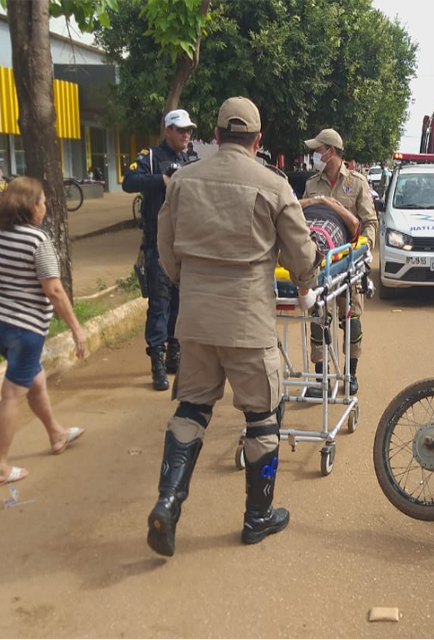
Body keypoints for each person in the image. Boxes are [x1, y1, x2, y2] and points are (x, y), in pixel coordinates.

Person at [146, 97, 322, 555]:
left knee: (192, 410)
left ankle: (167, 503)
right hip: (248, 324)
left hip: (196, 322)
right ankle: (257, 518)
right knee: (262, 419)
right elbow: (302, 255)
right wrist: (306, 284)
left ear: (218, 136)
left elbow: (165, 249)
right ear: (257, 140)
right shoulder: (273, 184)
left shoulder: (183, 181)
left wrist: (190, 282)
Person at [0, 177, 87, 488]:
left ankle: (56, 433)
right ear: (29, 206)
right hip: (25, 330)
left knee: (35, 380)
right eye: (42, 201)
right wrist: (76, 329)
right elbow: (54, 290)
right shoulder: (37, 241)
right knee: (12, 395)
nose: (46, 206)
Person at [300, 128, 378, 397]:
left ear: (330, 151)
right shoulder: (312, 185)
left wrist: (362, 250)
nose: (315, 155)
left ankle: (350, 374)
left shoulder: (356, 183)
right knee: (318, 318)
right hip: (323, 260)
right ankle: (321, 379)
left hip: (349, 262)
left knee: (352, 320)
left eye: (318, 150)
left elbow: (369, 223)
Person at [122, 109, 195, 391]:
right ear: (168, 131)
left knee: (180, 302)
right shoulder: (151, 157)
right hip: (157, 243)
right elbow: (128, 181)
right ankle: (157, 363)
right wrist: (160, 180)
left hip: (184, 243)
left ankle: (174, 355)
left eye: (188, 130)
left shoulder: (188, 160)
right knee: (160, 304)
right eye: (180, 130)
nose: (186, 135)